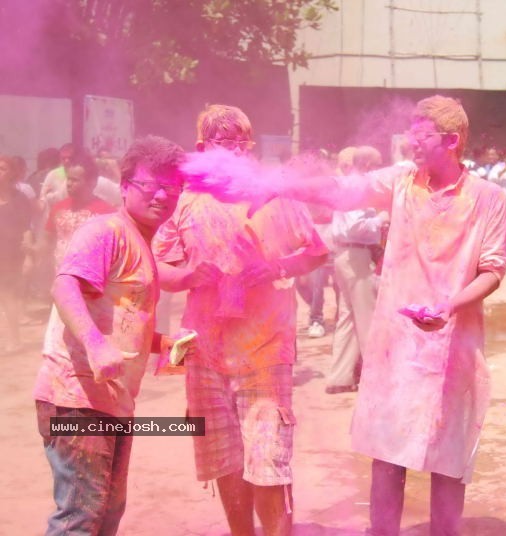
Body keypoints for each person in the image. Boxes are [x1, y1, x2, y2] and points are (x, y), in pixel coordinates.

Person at [266, 95, 506, 535]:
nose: (412, 141)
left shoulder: (487, 198)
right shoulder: (400, 183)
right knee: (387, 453)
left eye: (423, 134)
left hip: (454, 346)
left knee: (448, 456)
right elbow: (342, 192)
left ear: (452, 140)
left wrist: (449, 306)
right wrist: (284, 185)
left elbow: (493, 269)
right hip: (396, 346)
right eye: (411, 132)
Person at [153, 104, 328, 536]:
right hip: (204, 351)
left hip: (265, 349)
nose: (237, 152)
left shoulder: (273, 195)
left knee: (268, 461)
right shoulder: (185, 203)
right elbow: (157, 268)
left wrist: (277, 268)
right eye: (224, 144)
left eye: (242, 144)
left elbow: (317, 251)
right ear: (201, 149)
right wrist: (189, 275)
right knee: (224, 460)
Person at [32, 135, 186, 535]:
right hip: (76, 398)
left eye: (172, 187)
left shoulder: (142, 244)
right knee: (81, 517)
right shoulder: (105, 232)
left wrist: (165, 346)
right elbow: (65, 287)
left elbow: (125, 320)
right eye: (150, 186)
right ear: (123, 186)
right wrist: (96, 345)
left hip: (111, 401)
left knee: (105, 514)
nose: (162, 196)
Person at [327, 145, 386, 394]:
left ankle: (339, 377)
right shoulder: (358, 186)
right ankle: (376, 381)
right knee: (366, 319)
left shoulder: (348, 184)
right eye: (378, 165)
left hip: (346, 254)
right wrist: (381, 219)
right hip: (356, 253)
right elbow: (355, 227)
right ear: (369, 166)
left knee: (348, 318)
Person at [43, 150, 115, 267]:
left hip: (92, 279)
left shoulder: (107, 213)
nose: (69, 184)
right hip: (60, 277)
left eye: (75, 180)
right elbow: (47, 240)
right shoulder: (58, 208)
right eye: (68, 179)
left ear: (92, 183)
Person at [0, 154, 33, 353]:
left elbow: (26, 228)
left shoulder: (20, 198)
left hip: (10, 255)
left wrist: (29, 256)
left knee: (9, 296)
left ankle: (14, 340)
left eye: (3, 168)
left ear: (12, 172)